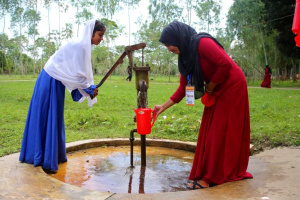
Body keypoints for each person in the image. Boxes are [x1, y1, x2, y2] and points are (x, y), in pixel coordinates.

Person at [153, 21, 253, 189]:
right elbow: (184, 88)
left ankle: (210, 177)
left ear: (178, 38)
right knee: (209, 131)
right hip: (215, 89)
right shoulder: (185, 57)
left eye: (169, 44)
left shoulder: (202, 43)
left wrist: (211, 86)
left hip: (232, 86)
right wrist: (163, 106)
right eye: (166, 46)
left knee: (219, 131)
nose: (168, 48)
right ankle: (207, 172)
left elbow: (225, 64)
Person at [19, 19, 106, 172]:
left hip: (55, 81)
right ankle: (40, 156)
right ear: (91, 34)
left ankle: (49, 155)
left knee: (54, 117)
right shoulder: (80, 46)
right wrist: (88, 88)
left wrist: (88, 88)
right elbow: (77, 76)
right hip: (50, 80)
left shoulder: (83, 46)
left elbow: (73, 73)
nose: (101, 38)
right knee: (46, 116)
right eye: (100, 35)